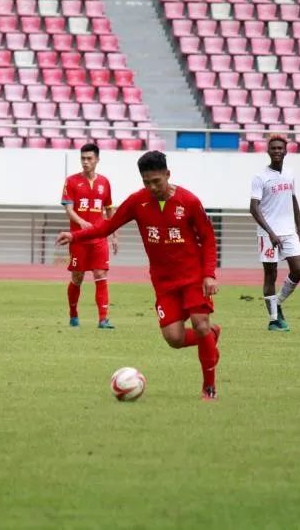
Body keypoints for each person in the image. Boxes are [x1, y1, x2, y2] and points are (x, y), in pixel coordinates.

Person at [56, 151, 222, 401]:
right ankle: (210, 337)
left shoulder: (189, 201)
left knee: (200, 324)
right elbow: (107, 226)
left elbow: (208, 239)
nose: (152, 187)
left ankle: (209, 388)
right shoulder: (138, 202)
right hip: (164, 282)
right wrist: (75, 235)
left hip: (193, 277)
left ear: (168, 174)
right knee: (174, 339)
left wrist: (209, 275)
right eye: (146, 182)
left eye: (157, 181)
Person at [249, 135, 300, 332]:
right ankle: (274, 320)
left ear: (286, 151)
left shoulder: (290, 174)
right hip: (268, 234)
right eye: (273, 148)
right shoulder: (260, 177)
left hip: (289, 232)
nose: (277, 151)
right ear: (268, 151)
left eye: (280, 148)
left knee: (299, 270)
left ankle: (278, 301)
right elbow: (253, 208)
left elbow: (294, 200)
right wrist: (270, 232)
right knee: (270, 274)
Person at [60, 143, 118, 329]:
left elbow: (109, 211)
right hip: (78, 238)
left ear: (97, 160)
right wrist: (82, 223)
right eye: (83, 158)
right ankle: (73, 314)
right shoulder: (71, 181)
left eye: (89, 158)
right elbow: (68, 209)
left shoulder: (105, 182)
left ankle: (103, 319)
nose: (85, 162)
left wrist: (114, 235)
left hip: (99, 238)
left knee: (100, 274)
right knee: (77, 277)